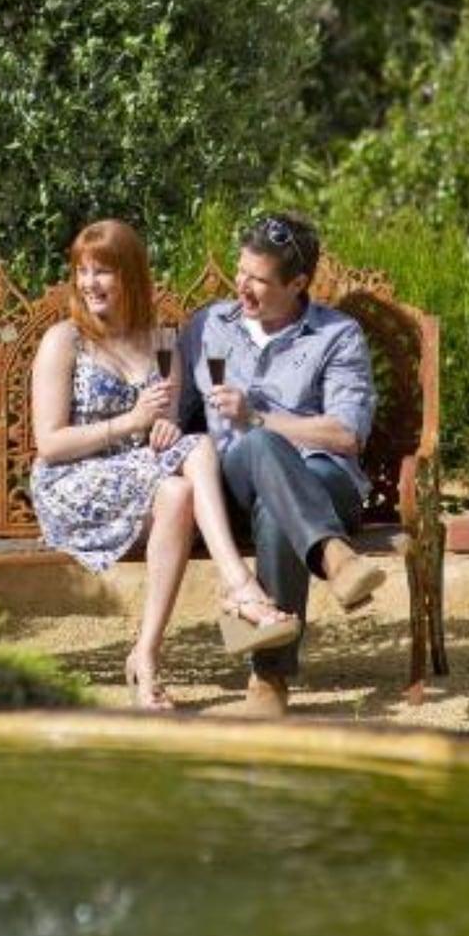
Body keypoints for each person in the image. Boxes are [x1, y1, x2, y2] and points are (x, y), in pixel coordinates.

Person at [29, 219, 299, 710]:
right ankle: (239, 585)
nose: (90, 283)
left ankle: (145, 655)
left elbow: (166, 428)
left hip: (139, 476)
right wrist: (131, 422)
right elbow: (48, 445)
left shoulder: (162, 340)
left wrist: (164, 427)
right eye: (82, 272)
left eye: (104, 272)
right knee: (195, 454)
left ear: (132, 276)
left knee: (179, 487)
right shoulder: (64, 341)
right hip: (73, 481)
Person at [180, 212, 384, 719]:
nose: (243, 288)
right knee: (256, 448)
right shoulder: (208, 326)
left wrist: (259, 417)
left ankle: (268, 679)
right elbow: (179, 415)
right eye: (241, 272)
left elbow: (346, 434)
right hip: (234, 486)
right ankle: (335, 558)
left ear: (297, 284)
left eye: (260, 281)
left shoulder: (337, 335)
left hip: (326, 481)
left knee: (273, 489)